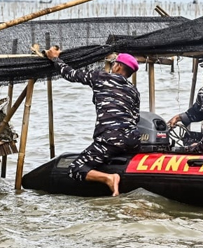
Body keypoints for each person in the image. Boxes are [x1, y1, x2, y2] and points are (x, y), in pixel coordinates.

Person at [45, 48, 140, 196]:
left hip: (109, 140)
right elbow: (136, 118)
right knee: (112, 149)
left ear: (118, 66)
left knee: (76, 168)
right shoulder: (134, 90)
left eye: (115, 63)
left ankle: (109, 178)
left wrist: (55, 59)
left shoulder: (100, 77)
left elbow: (71, 74)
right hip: (132, 140)